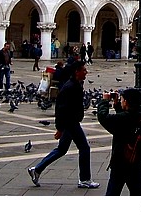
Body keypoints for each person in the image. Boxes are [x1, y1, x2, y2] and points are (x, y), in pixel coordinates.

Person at [27, 60, 100, 189]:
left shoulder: (76, 84)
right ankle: (84, 179)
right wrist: (60, 128)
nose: (86, 72)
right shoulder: (70, 87)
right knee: (84, 148)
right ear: (77, 72)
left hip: (71, 122)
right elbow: (61, 109)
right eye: (84, 70)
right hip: (71, 122)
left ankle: (37, 169)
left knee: (61, 150)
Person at [97, 87, 141, 195]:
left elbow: (104, 118)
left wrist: (104, 101)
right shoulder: (140, 113)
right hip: (136, 160)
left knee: (113, 192)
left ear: (126, 101)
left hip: (122, 160)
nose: (121, 101)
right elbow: (125, 116)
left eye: (122, 100)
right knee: (136, 189)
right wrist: (117, 104)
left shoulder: (125, 118)